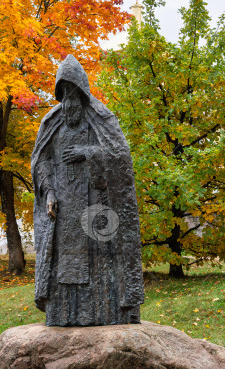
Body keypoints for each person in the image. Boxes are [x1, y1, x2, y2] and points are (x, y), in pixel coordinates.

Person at [31, 55, 144, 326]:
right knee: (65, 263)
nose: (69, 100)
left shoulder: (101, 117)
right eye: (64, 92)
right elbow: (41, 161)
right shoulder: (51, 122)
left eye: (74, 92)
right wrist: (48, 192)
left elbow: (119, 157)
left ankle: (105, 314)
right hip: (64, 208)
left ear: (82, 92)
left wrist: (86, 152)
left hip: (96, 206)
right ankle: (62, 316)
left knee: (102, 262)